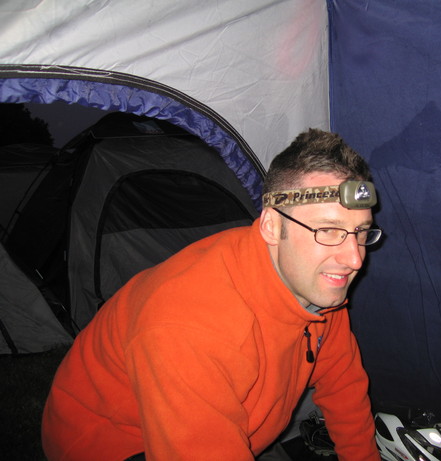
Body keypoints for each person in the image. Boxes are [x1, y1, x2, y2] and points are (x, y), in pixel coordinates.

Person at [42, 128, 383, 461]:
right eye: (328, 230)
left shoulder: (317, 287)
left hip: (236, 429)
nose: (354, 259)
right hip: (117, 443)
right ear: (272, 227)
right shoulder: (190, 326)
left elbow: (343, 386)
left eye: (361, 232)